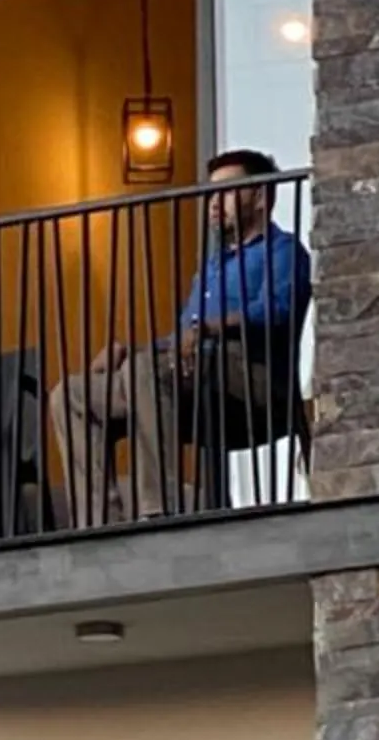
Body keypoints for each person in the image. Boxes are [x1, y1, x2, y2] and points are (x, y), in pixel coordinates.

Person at [51, 148, 310, 525]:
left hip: (253, 374)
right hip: (195, 371)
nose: (214, 204)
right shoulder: (211, 267)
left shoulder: (284, 250)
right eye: (211, 194)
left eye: (226, 191)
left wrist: (210, 326)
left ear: (259, 197)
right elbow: (181, 338)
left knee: (147, 371)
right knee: (71, 394)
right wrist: (129, 349)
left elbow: (278, 308)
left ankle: (157, 508)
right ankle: (97, 520)